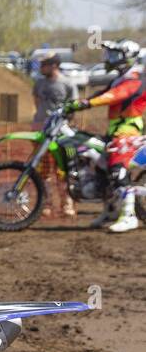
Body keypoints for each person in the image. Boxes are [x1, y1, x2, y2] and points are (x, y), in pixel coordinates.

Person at [65, 39, 145, 233]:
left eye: (115, 55)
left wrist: (84, 105)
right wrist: (76, 102)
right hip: (115, 132)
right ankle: (110, 211)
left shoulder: (134, 78)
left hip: (128, 133)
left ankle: (129, 217)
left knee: (118, 171)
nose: (110, 58)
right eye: (109, 54)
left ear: (127, 58)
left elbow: (114, 96)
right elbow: (102, 93)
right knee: (100, 167)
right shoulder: (119, 77)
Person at [32, 54, 78, 217]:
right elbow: (37, 104)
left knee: (63, 170)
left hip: (61, 133)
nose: (41, 67)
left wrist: (66, 125)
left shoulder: (67, 83)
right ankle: (46, 204)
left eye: (44, 64)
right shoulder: (39, 83)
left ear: (54, 65)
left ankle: (67, 204)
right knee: (43, 169)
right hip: (42, 132)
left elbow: (73, 108)